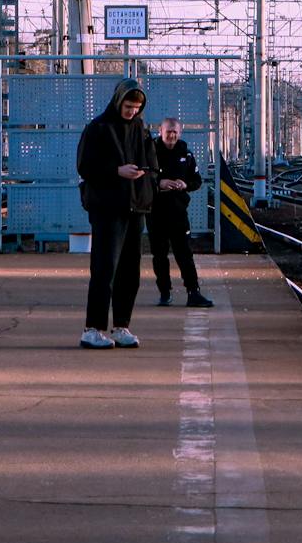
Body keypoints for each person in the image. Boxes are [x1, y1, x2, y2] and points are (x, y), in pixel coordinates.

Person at [74, 78, 160, 350]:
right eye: (128, 106)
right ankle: (93, 328)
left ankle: (122, 325)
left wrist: (147, 180)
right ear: (118, 101)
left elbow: (152, 163)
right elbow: (85, 166)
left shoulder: (141, 130)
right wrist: (116, 171)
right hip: (107, 208)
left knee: (129, 271)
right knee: (104, 268)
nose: (132, 111)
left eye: (136, 107)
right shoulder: (98, 128)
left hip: (135, 206)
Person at [149, 116, 213, 308]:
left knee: (184, 253)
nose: (172, 135)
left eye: (175, 132)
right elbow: (140, 178)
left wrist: (185, 185)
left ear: (180, 133)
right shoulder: (149, 152)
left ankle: (193, 292)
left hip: (178, 211)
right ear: (160, 131)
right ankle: (165, 292)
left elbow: (197, 180)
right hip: (155, 212)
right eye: (168, 131)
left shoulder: (186, 154)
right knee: (159, 255)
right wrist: (159, 184)